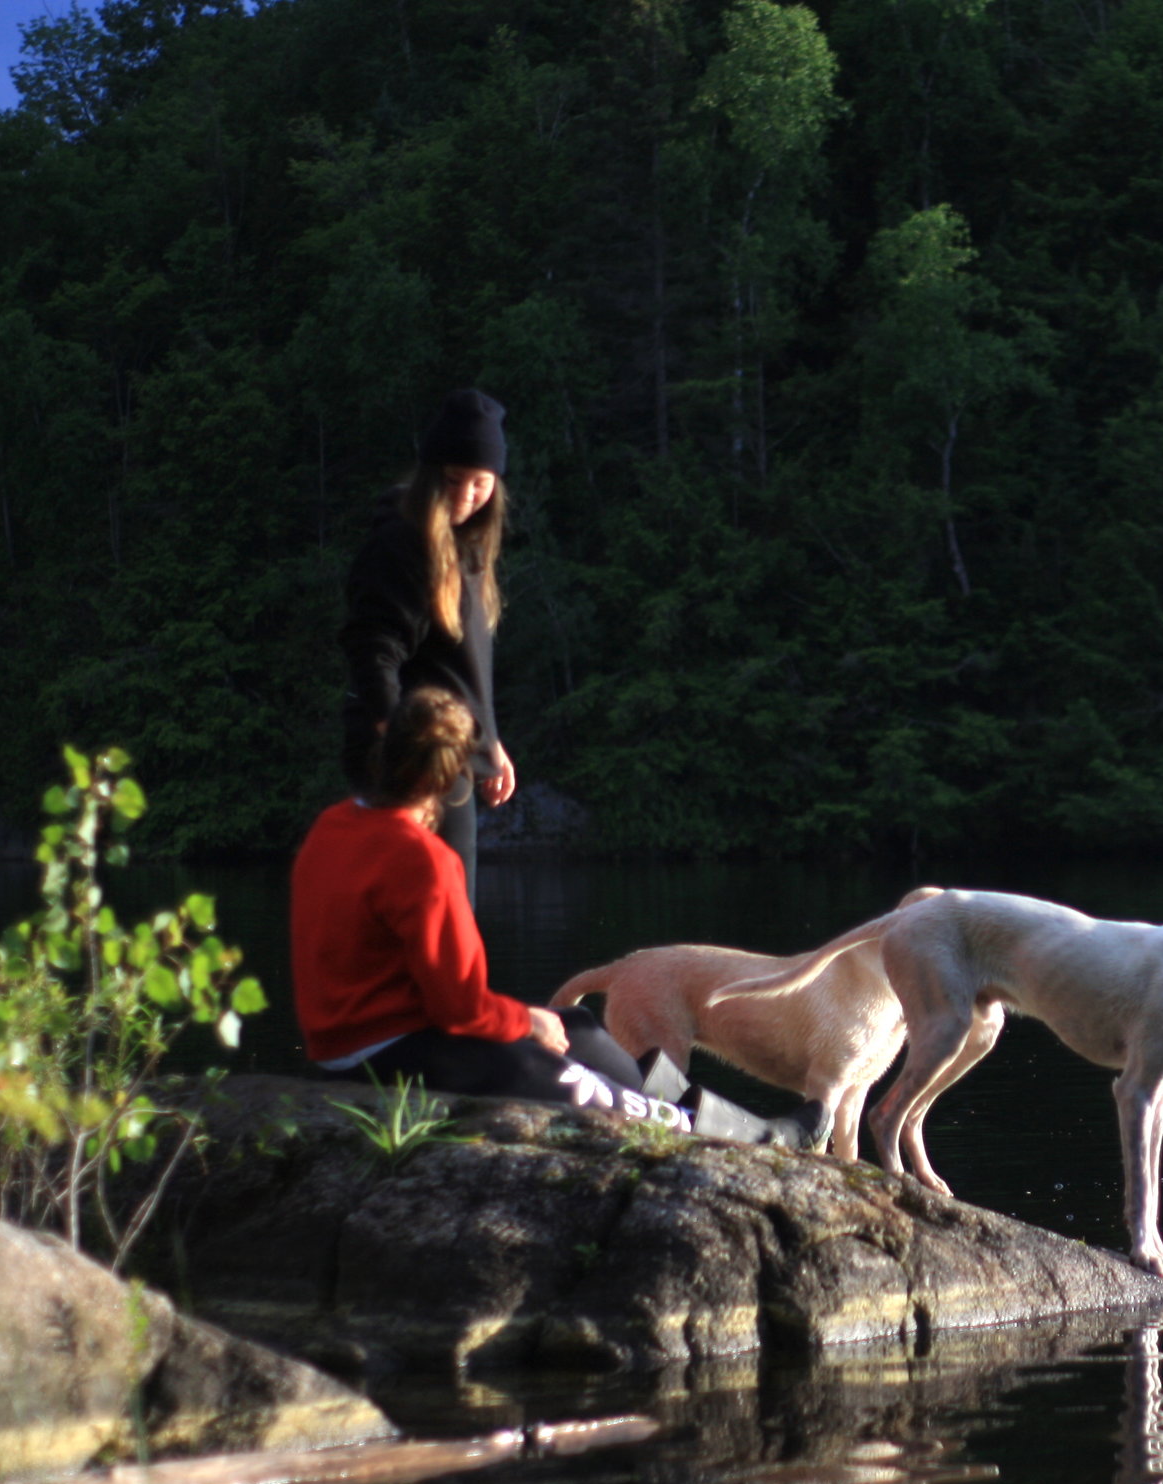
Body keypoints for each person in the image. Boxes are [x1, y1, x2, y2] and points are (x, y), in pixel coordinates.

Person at [292, 686, 810, 1145]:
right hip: (385, 1056)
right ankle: (760, 1140)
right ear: (449, 778)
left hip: (346, 1045)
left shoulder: (333, 825)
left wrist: (535, 1021)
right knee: (567, 1073)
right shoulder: (421, 860)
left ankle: (723, 1115)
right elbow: (458, 1008)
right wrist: (524, 1020)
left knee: (578, 1027)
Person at [340, 388, 516, 901]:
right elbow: (373, 649)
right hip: (412, 757)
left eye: (480, 483)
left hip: (450, 752)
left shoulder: (471, 549)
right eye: (453, 479)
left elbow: (460, 668)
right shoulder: (400, 542)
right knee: (436, 911)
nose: (465, 495)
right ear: (429, 474)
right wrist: (403, 754)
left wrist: (490, 744)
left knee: (448, 909)